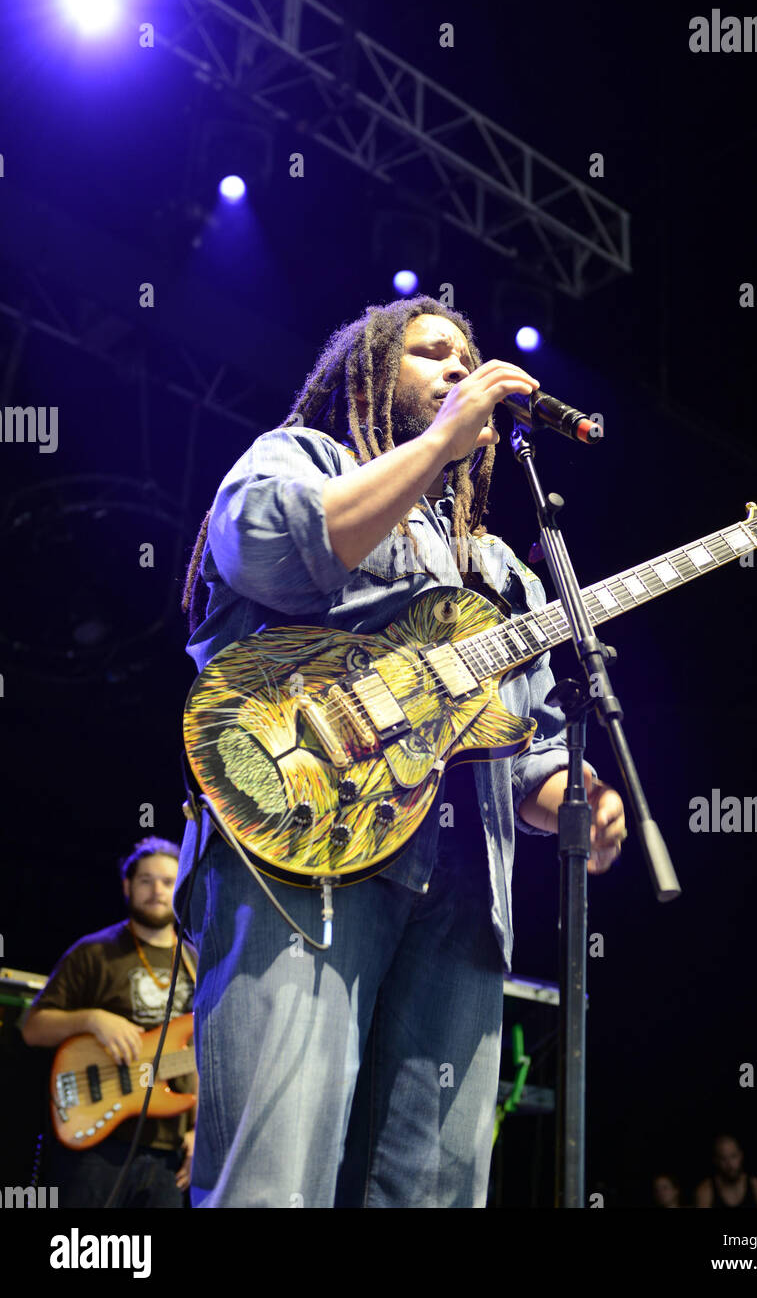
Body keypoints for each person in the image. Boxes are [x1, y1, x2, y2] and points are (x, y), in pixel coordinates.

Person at [177, 294, 626, 1208]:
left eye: (469, 358)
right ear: (374, 375)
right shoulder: (299, 458)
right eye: (432, 355)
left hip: (460, 895)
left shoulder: (503, 572)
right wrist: (437, 443)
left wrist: (572, 793)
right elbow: (264, 549)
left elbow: (530, 747)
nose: (460, 370)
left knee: (434, 1190)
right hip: (304, 859)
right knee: (274, 1178)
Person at [21, 837, 197, 1208]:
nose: (157, 890)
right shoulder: (94, 951)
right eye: (146, 880)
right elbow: (33, 1027)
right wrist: (93, 1018)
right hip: (96, 1146)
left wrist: (201, 1130)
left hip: (169, 1151)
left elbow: (203, 1057)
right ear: (127, 886)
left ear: (181, 886)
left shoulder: (199, 962)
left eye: (168, 881)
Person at [694, 1134, 757, 1208]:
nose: (729, 1164)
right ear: (716, 1161)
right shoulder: (705, 1192)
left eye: (733, 1156)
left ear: (741, 1156)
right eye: (723, 1158)